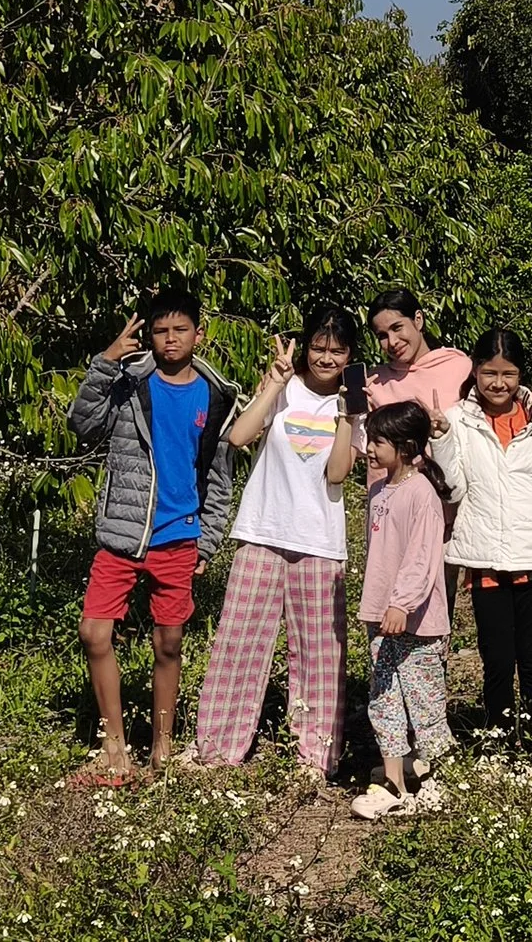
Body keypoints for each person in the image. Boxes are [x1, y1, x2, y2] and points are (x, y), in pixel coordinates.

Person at [65, 287, 241, 785]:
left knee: (169, 642)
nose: (169, 340)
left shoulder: (216, 395)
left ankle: (162, 748)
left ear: (198, 334)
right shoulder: (128, 381)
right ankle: (114, 748)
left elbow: (218, 477)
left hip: (178, 538)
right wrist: (104, 363)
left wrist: (207, 540)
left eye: (179, 330)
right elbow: (83, 424)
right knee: (94, 633)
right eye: (160, 331)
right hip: (122, 535)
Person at [190, 307, 366, 779]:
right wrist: (273, 382)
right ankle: (218, 749)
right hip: (262, 531)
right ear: (305, 346)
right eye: (318, 347)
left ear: (350, 355)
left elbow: (336, 473)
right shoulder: (285, 389)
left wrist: (350, 414)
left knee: (319, 654)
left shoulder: (355, 405)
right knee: (239, 641)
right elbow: (239, 436)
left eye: (337, 350)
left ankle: (316, 755)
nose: (326, 358)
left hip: (320, 541)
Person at [437, 329, 532, 756]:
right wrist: (442, 439)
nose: (498, 383)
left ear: (521, 375)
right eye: (489, 373)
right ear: (475, 372)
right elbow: (454, 489)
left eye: (508, 374)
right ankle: (496, 748)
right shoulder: (456, 419)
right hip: (485, 557)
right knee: (497, 663)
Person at [350, 401, 455, 820]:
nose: (370, 449)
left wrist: (401, 603)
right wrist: (381, 606)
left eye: (378, 441)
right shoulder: (379, 491)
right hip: (381, 616)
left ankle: (436, 780)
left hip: (417, 621)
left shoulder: (421, 493)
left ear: (406, 446)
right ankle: (393, 781)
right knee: (384, 697)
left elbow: (421, 557)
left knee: (425, 700)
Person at [364, 288, 472, 430]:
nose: (392, 342)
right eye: (382, 336)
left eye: (397, 328)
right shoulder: (374, 383)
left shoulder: (461, 367)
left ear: (418, 320)